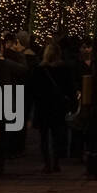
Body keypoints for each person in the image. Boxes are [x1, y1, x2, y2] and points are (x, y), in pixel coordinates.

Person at [0, 35, 26, 176]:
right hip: (4, 100)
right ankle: (0, 164)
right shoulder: (6, 64)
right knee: (3, 133)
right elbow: (23, 70)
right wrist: (19, 53)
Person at [31, 44, 75, 173]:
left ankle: (47, 163)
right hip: (58, 106)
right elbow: (70, 88)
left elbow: (34, 90)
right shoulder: (64, 69)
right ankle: (56, 162)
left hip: (43, 106)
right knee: (57, 135)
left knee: (44, 136)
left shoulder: (39, 70)